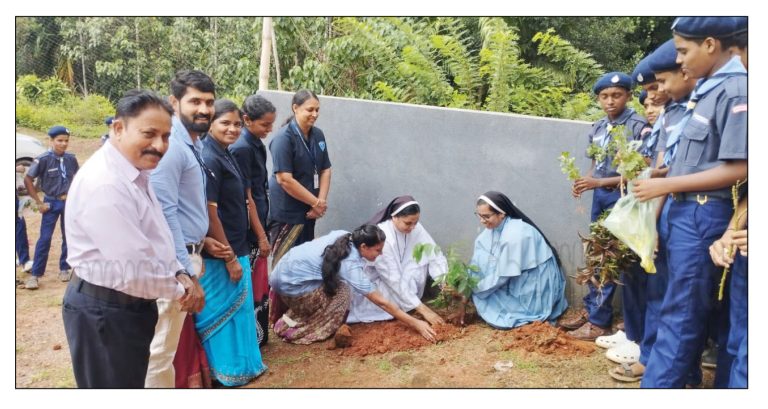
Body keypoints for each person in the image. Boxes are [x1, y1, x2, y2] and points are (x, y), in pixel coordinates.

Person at [632, 17, 747, 388]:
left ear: (711, 45)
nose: (680, 62)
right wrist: (662, 181)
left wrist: (666, 186)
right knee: (675, 309)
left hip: (702, 212)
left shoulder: (736, 90)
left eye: (684, 51)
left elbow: (742, 165)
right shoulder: (711, 90)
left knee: (680, 315)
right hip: (685, 210)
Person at [62, 90, 204, 388]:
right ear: (118, 128)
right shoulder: (106, 183)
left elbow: (156, 234)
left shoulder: (135, 172)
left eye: (166, 136)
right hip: (106, 310)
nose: (159, 145)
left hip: (127, 305)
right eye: (149, 134)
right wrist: (183, 290)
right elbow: (133, 267)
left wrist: (178, 271)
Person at [609, 38, 699, 384]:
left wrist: (655, 210)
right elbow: (658, 163)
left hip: (681, 213)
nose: (654, 94)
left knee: (674, 300)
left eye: (658, 85)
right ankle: (653, 356)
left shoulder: (691, 110)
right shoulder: (672, 114)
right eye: (651, 87)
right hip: (660, 211)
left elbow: (673, 172)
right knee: (657, 294)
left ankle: (670, 367)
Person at [147, 69, 220, 388]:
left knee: (167, 347)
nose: (203, 109)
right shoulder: (172, 147)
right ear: (174, 102)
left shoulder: (194, 144)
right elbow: (164, 211)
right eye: (195, 102)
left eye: (209, 102)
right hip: (173, 261)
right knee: (159, 351)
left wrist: (202, 237)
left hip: (189, 252)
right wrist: (183, 271)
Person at [564, 72, 649, 341]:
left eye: (616, 95)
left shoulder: (638, 125)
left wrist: (598, 183)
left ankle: (603, 322)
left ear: (628, 96)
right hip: (600, 198)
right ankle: (593, 311)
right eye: (604, 96)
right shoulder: (598, 127)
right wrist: (584, 182)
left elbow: (643, 170)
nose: (610, 101)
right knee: (597, 256)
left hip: (624, 199)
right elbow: (595, 166)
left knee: (617, 259)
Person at [196, 99, 267, 386]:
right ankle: (227, 372)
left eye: (237, 124)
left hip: (237, 244)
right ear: (210, 124)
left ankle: (245, 367)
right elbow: (209, 211)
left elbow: (242, 200)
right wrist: (227, 257)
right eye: (225, 123)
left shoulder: (226, 154)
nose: (233, 129)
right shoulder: (209, 157)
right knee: (223, 312)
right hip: (221, 252)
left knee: (240, 310)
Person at [270, 226, 437, 345]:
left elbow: (317, 240)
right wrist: (415, 323)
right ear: (363, 246)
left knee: (336, 284)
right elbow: (381, 302)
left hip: (282, 273)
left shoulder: (345, 235)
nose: (381, 254)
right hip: (291, 288)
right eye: (378, 250)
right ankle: (304, 329)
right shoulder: (350, 266)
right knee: (344, 293)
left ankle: (296, 315)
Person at [450, 192, 567, 329]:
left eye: (486, 216)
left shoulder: (514, 234)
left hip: (535, 282)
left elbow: (503, 276)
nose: (482, 221)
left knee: (491, 301)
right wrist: (466, 294)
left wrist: (476, 289)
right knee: (481, 254)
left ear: (501, 214)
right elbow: (476, 264)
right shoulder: (490, 232)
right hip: (512, 275)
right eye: (479, 215)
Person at [267, 89, 331, 323]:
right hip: (288, 213)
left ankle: (301, 311)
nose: (314, 114)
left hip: (310, 212)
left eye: (317, 110)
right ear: (295, 108)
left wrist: (320, 202)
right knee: (285, 262)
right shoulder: (283, 139)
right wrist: (315, 202)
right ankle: (277, 314)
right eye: (309, 109)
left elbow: (325, 169)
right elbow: (284, 179)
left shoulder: (318, 135)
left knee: (305, 259)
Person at [347, 195, 447, 326]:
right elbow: (392, 278)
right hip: (384, 281)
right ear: (394, 217)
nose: (413, 227)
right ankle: (409, 306)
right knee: (391, 298)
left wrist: (443, 280)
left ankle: (411, 303)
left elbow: (434, 253)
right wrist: (424, 310)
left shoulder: (416, 228)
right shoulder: (382, 236)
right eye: (408, 223)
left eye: (415, 222)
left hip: (405, 280)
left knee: (423, 264)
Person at [229, 94, 276, 346]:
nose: (269, 130)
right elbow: (247, 197)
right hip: (250, 230)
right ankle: (252, 337)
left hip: (260, 221)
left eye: (271, 124)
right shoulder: (242, 149)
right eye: (265, 125)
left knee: (260, 284)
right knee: (253, 286)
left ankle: (259, 335)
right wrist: (260, 235)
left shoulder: (256, 144)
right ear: (247, 120)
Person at [23, 125, 80, 289]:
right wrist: (39, 202)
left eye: (66, 141)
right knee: (45, 238)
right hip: (51, 202)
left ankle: (64, 268)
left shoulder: (71, 159)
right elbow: (28, 179)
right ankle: (35, 274)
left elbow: (78, 177)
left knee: (68, 236)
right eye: (60, 140)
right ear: (51, 140)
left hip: (68, 202)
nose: (63, 144)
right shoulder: (43, 159)